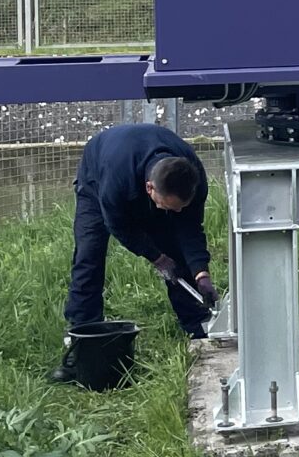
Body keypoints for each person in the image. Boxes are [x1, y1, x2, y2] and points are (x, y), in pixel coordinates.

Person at [66, 121, 217, 340]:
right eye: (169, 207)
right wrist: (156, 257)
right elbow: (118, 225)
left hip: (141, 168)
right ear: (150, 188)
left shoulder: (193, 177)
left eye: (181, 208)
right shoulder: (116, 181)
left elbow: (190, 228)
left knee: (176, 251)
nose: (177, 212)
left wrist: (200, 271)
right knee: (89, 256)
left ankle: (198, 326)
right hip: (97, 178)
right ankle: (83, 333)